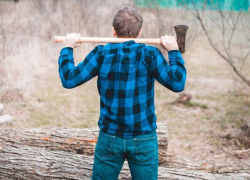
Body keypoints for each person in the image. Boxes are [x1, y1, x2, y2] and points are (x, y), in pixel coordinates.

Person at [58, 6, 186, 180]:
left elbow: (68, 78)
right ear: (140, 32)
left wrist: (67, 48)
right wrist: (173, 51)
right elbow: (178, 82)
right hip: (143, 138)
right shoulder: (150, 54)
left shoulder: (101, 54)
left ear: (113, 30)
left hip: (110, 138)